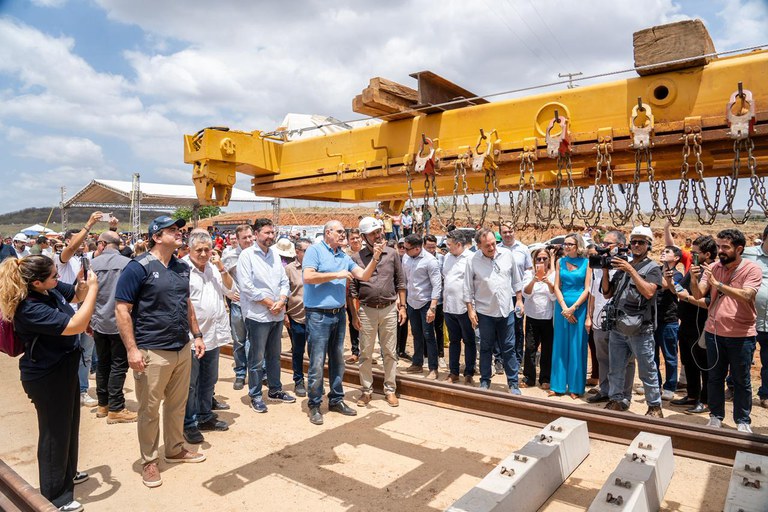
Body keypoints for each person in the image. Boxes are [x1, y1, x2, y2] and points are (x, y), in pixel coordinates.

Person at [0, 255, 99, 512]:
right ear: (36, 283)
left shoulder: (49, 290)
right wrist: (94, 293)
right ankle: (56, 496)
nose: (58, 278)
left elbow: (75, 296)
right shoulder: (30, 307)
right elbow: (77, 323)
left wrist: (84, 285)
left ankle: (68, 474)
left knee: (69, 426)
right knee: (54, 434)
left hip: (63, 369)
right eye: (54, 276)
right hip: (46, 376)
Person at [115, 216, 207, 489]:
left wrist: (197, 335)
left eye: (179, 229)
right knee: (149, 409)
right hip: (152, 349)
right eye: (172, 231)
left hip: (181, 346)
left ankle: (175, 448)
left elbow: (186, 302)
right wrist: (132, 349)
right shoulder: (138, 268)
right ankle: (150, 460)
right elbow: (122, 310)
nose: (179, 233)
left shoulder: (181, 266)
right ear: (157, 237)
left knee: (177, 404)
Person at [303, 220, 382, 425]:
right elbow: (308, 277)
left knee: (338, 361)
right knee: (317, 362)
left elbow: (363, 275)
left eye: (343, 232)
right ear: (328, 232)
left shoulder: (343, 256)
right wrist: (335, 275)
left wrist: (375, 258)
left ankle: (336, 399)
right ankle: (314, 404)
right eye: (339, 231)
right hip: (318, 315)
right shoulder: (315, 251)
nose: (342, 234)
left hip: (338, 315)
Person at [692, 228, 762, 432]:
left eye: (725, 247)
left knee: (741, 380)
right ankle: (715, 416)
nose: (720, 251)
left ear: (739, 249)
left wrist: (719, 284)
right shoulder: (713, 267)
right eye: (718, 246)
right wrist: (695, 279)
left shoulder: (752, 269)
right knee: (715, 377)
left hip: (742, 335)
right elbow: (698, 295)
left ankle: (742, 420)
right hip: (714, 333)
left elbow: (748, 295)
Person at [602, 225, 664, 418]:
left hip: (641, 329)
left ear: (648, 245)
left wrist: (630, 270)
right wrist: (605, 270)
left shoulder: (653, 268)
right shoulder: (622, 266)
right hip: (618, 325)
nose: (636, 245)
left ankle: (654, 406)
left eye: (641, 242)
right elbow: (607, 293)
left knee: (647, 369)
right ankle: (616, 400)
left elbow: (648, 291)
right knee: (616, 368)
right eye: (634, 242)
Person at [181, 230, 236, 444]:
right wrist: (195, 334)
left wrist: (221, 267)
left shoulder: (214, 267)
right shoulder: (182, 269)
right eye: (199, 250)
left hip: (213, 335)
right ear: (189, 249)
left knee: (209, 380)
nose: (204, 254)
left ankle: (205, 416)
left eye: (207, 249)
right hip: (192, 337)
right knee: (190, 383)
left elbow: (231, 290)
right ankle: (189, 423)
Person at [237, 218, 294, 413]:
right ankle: (255, 394)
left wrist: (282, 299)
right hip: (258, 315)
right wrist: (271, 303)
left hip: (276, 314)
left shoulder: (275, 255)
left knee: (274, 356)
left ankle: (275, 389)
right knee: (256, 357)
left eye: (272, 233)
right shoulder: (247, 256)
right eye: (267, 233)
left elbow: (284, 281)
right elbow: (246, 287)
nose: (271, 236)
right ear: (256, 234)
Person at [350, 217, 406, 407]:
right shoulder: (357, 258)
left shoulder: (392, 254)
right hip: (366, 310)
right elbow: (353, 290)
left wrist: (403, 306)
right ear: (364, 237)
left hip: (389, 309)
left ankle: (390, 390)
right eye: (372, 233)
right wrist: (355, 314)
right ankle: (366, 391)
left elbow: (401, 281)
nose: (377, 235)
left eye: (378, 232)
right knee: (365, 353)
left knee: (389, 352)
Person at [463, 229, 523, 394]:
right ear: (479, 246)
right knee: (485, 347)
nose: (491, 248)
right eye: (487, 245)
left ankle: (513, 383)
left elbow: (517, 280)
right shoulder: (472, 261)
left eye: (493, 243)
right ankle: (485, 381)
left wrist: (519, 299)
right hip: (485, 312)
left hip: (506, 311)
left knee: (509, 347)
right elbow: (467, 288)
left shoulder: (507, 255)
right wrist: (470, 310)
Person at [90, 231, 137, 424]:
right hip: (121, 322)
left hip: (98, 321)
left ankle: (103, 404)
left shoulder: (92, 264)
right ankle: (116, 407)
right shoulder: (128, 264)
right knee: (119, 365)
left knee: (102, 363)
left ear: (102, 244)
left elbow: (86, 294)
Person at [585, 231, 635, 404]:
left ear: (620, 246)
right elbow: (593, 292)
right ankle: (605, 390)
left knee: (626, 360)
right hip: (600, 318)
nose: (603, 247)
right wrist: (589, 316)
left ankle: (624, 395)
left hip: (621, 320)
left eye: (608, 244)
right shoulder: (598, 263)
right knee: (603, 357)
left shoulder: (628, 264)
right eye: (603, 243)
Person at [671, 235, 716, 414]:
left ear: (707, 254)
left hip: (702, 323)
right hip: (688, 322)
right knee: (689, 361)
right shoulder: (695, 269)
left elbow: (708, 300)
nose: (692, 256)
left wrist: (688, 298)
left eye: (696, 253)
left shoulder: (713, 271)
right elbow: (681, 285)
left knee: (703, 364)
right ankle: (692, 395)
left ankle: (705, 401)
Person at [550, 234, 591, 398]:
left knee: (576, 346)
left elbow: (587, 288)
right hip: (561, 308)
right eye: (565, 244)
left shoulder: (587, 263)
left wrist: (573, 308)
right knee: (559, 346)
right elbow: (556, 286)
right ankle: (557, 385)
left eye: (570, 244)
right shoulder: (559, 262)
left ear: (578, 246)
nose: (566, 247)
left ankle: (575, 387)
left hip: (578, 308)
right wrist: (564, 307)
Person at [402, 234, 442, 379]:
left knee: (429, 336)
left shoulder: (430, 261)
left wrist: (432, 307)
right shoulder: (406, 258)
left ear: (417, 248)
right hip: (412, 302)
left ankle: (433, 368)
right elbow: (404, 280)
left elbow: (437, 285)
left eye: (407, 248)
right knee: (416, 334)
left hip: (425, 303)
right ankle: (417, 363)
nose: (404, 251)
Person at [221, 224, 254, 391]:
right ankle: (240, 373)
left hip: (258, 305)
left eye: (250, 236)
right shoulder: (231, 257)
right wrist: (228, 293)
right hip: (238, 305)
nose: (248, 240)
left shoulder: (260, 254)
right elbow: (220, 277)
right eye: (244, 238)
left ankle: (259, 374)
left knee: (257, 341)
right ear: (238, 239)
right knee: (239, 341)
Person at [442, 230, 476, 384]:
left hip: (465, 308)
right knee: (454, 341)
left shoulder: (471, 258)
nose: (447, 247)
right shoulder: (447, 257)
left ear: (459, 244)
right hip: (449, 306)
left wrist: (472, 309)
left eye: (450, 244)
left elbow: (475, 284)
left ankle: (469, 373)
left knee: (469, 341)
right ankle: (454, 372)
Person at [499, 223, 533, 369]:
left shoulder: (523, 249)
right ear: (500, 233)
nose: (508, 234)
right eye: (505, 232)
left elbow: (529, 270)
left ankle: (517, 359)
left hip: (518, 296)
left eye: (510, 231)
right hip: (501, 295)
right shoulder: (496, 249)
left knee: (518, 328)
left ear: (514, 232)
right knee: (500, 327)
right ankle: (499, 360)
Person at [521, 247, 556, 389]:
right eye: (538, 258)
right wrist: (534, 281)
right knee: (530, 348)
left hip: (548, 317)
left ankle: (545, 378)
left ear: (549, 260)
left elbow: (554, 296)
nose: (541, 261)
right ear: (534, 260)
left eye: (544, 259)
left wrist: (548, 283)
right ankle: (529, 377)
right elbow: (526, 294)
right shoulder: (528, 274)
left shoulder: (553, 275)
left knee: (547, 349)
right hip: (532, 316)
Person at [743, 224, 768, 409]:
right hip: (747, 318)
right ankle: (733, 387)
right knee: (741, 357)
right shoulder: (748, 254)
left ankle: (765, 393)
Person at [655, 246, 684, 400]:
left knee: (670, 356)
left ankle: (670, 386)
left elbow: (665, 285)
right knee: (652, 355)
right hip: (652, 319)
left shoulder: (678, 275)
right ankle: (656, 384)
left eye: (667, 252)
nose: (663, 252)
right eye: (663, 251)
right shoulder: (655, 269)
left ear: (677, 258)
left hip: (669, 320)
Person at [285, 238, 311, 397]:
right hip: (296, 317)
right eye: (306, 251)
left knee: (316, 352)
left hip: (315, 318)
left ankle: (315, 381)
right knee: (298, 351)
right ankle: (298, 380)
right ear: (297, 252)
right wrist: (285, 315)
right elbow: (283, 293)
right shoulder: (289, 269)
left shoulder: (316, 268)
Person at [423, 234, 446, 368]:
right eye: (428, 247)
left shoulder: (442, 258)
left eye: (433, 247)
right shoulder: (421, 259)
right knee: (427, 329)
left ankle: (440, 355)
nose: (431, 250)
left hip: (439, 300)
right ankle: (427, 356)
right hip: (426, 300)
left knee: (439, 328)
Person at [345, 229, 363, 363]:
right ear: (348, 240)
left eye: (357, 238)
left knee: (368, 324)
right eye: (352, 238)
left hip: (366, 293)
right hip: (350, 294)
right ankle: (355, 351)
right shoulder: (344, 255)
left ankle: (367, 352)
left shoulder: (368, 252)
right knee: (353, 322)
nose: (355, 240)